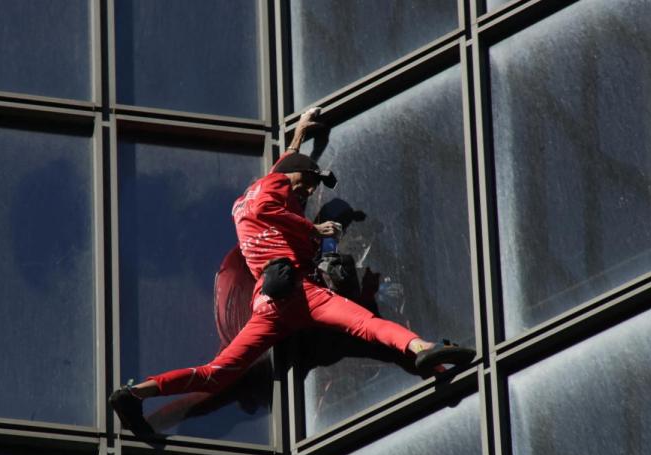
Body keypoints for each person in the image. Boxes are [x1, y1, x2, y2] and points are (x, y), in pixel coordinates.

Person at [111, 108, 475, 435]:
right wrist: (314, 230)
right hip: (301, 293)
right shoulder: (271, 196)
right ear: (292, 176)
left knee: (217, 373)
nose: (312, 188)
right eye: (311, 179)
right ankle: (423, 348)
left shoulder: (260, 190)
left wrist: (300, 133)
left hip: (269, 305)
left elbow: (281, 171)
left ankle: (136, 393)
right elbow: (273, 202)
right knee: (366, 324)